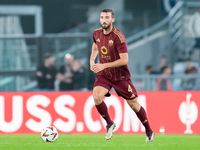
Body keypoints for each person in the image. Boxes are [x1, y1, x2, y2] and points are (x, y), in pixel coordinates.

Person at [90, 9, 154, 142]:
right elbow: (96, 45)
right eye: (102, 17)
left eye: (107, 17)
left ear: (113, 20)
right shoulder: (96, 33)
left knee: (134, 105)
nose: (104, 20)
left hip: (120, 76)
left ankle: (148, 130)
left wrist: (104, 65)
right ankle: (109, 123)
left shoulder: (118, 36)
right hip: (105, 75)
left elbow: (124, 60)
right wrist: (92, 60)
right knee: (96, 96)